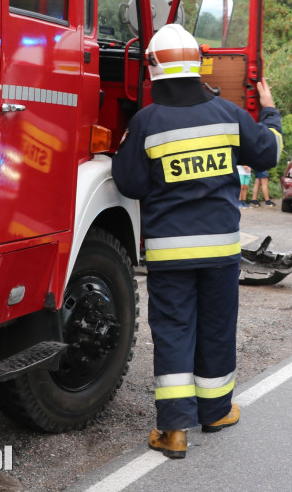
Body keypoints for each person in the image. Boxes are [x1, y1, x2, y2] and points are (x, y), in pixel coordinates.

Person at [111, 24, 282, 460]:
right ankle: (217, 411)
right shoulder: (229, 114)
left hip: (171, 253)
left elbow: (129, 183)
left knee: (173, 332)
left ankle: (173, 432)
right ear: (198, 63)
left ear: (153, 67)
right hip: (221, 252)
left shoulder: (146, 122)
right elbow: (269, 153)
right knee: (217, 329)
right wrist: (270, 111)